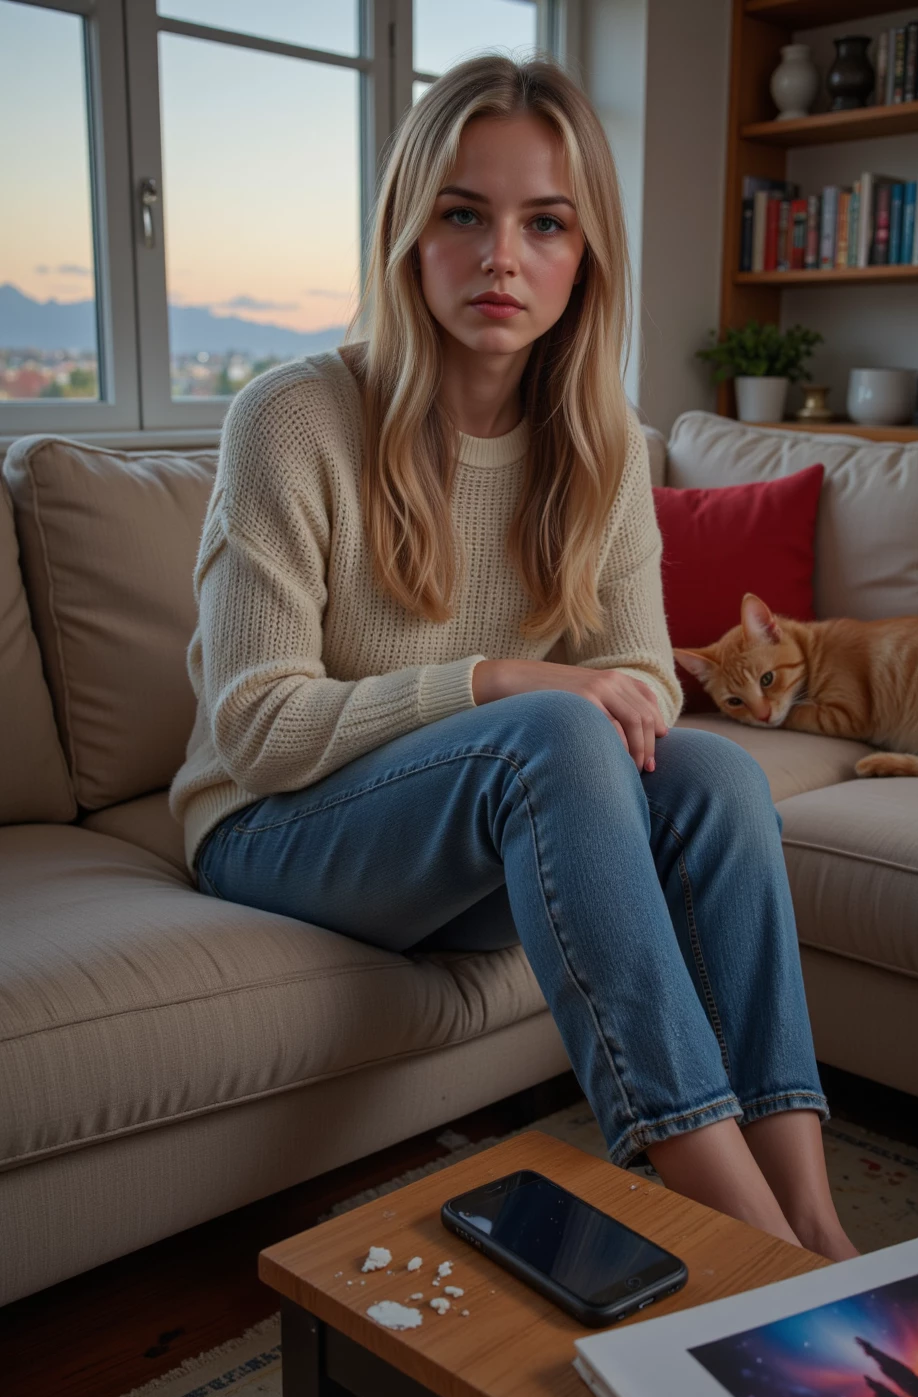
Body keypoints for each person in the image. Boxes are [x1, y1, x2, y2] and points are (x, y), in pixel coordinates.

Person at [170, 52, 857, 1262]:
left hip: (472, 841)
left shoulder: (604, 446)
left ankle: (812, 1218)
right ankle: (746, 1242)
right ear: (407, 233)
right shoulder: (292, 417)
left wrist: (570, 701)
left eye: (544, 223)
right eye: (462, 215)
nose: (501, 258)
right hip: (273, 829)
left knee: (717, 776)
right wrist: (500, 679)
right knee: (550, 730)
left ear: (585, 254)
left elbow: (645, 680)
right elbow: (258, 731)